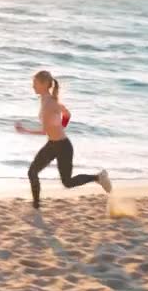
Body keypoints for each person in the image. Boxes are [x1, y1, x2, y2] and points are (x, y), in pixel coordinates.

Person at [15, 70, 112, 209]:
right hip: (53, 144)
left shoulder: (49, 104)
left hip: (63, 147)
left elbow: (45, 131)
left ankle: (98, 177)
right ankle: (36, 207)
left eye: (35, 83)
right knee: (32, 172)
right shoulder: (46, 100)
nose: (33, 86)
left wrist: (25, 131)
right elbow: (67, 114)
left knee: (67, 182)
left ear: (44, 84)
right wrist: (61, 127)